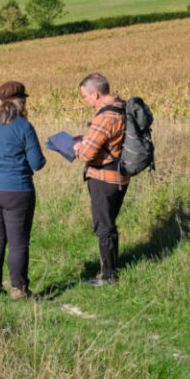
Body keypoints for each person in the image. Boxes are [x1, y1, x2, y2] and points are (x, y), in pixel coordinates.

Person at [0, 80, 46, 299]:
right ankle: (19, 288)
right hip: (17, 190)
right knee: (18, 241)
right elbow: (37, 163)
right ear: (21, 100)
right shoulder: (24, 126)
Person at [73, 72, 128, 287]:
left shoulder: (104, 117)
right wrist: (88, 140)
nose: (85, 100)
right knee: (109, 223)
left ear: (95, 94)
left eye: (85, 96)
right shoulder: (121, 107)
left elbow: (87, 155)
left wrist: (78, 147)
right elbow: (110, 141)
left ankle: (108, 276)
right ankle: (111, 268)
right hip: (120, 175)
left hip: (103, 178)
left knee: (104, 226)